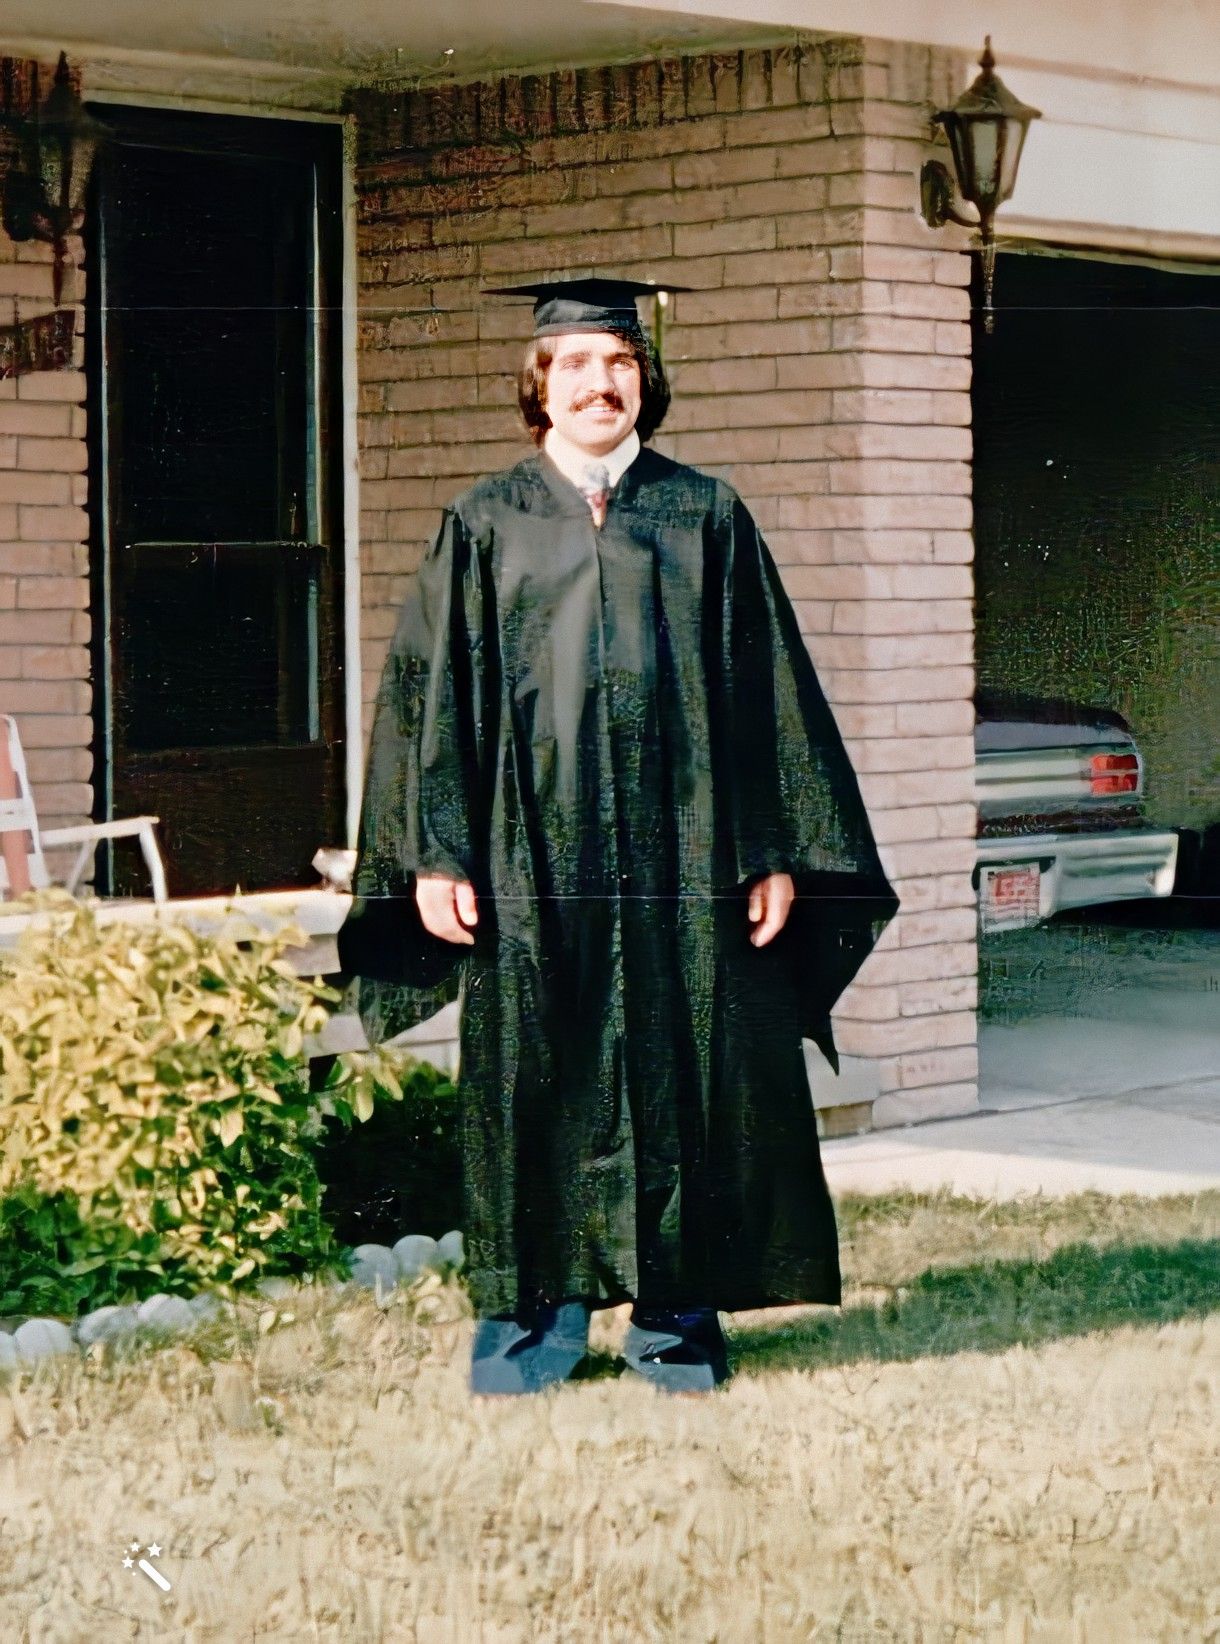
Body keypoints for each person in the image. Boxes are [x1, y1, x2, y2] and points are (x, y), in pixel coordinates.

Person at [338, 276, 898, 1395]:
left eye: (620, 364)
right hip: (525, 861)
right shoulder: (483, 523)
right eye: (576, 365)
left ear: (646, 380)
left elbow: (765, 698)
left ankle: (674, 1326)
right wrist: (436, 851)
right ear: (537, 386)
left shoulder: (705, 517)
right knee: (530, 1079)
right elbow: (428, 696)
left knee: (687, 1075)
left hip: (685, 861)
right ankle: (527, 1331)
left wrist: (772, 848)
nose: (601, 384)